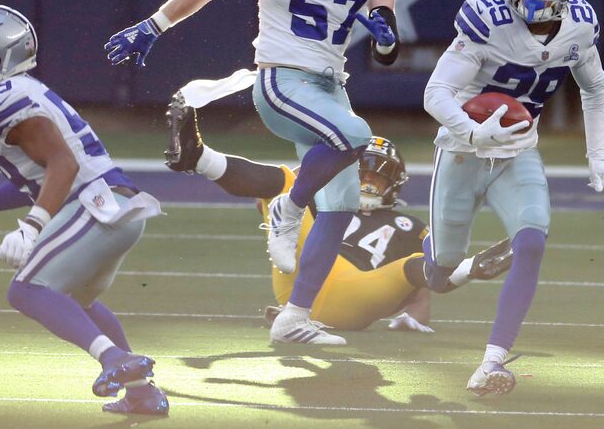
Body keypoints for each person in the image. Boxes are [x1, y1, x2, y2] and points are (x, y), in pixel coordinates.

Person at [105, 0, 401, 345]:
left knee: (343, 206)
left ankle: (294, 318)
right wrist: (155, 24)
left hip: (331, 88)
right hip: (283, 79)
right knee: (357, 136)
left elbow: (387, 46)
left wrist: (385, 35)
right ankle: (288, 204)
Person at [0, 4, 168, 416]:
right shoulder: (17, 92)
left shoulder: (3, 100)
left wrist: (30, 228)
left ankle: (114, 360)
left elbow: (64, 164)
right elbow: (41, 177)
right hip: (116, 204)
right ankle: (142, 393)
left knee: (26, 290)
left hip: (95, 206)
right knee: (76, 301)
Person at [423, 0, 604, 396]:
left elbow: (595, 89)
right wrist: (472, 131)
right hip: (463, 150)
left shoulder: (579, 27)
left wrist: (598, 155)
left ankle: (491, 362)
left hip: (518, 151)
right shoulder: (486, 20)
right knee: (442, 272)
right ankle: (457, 266)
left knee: (531, 241)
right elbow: (435, 93)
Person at [163, 90, 514, 333]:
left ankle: (471, 267)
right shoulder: (326, 199)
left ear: (395, 183)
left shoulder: (409, 226)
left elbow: (424, 281)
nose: (369, 184)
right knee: (286, 186)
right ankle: (198, 157)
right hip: (304, 281)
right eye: (364, 174)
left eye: (378, 177)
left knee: (412, 266)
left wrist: (412, 319)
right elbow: (264, 198)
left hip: (362, 290)